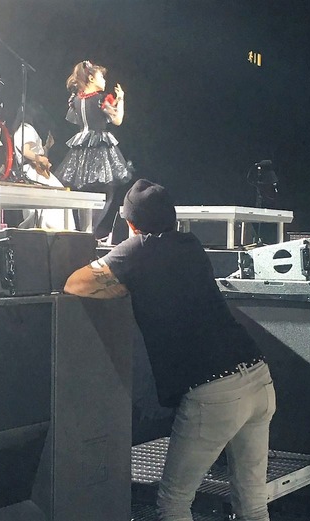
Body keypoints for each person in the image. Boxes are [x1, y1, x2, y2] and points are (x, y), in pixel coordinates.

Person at [64, 178, 276, 521]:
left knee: (174, 503)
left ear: (131, 223)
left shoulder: (139, 250)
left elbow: (75, 284)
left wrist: (120, 278)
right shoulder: (190, 244)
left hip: (215, 392)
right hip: (257, 377)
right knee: (253, 505)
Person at [54, 60, 132, 240]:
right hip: (98, 145)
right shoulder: (101, 99)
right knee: (106, 191)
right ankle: (92, 234)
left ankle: (84, 232)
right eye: (101, 77)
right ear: (91, 78)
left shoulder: (76, 100)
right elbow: (117, 120)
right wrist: (121, 99)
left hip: (81, 148)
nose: (104, 80)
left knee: (84, 192)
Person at [11, 102, 75, 230]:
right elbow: (25, 151)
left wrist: (47, 147)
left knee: (44, 198)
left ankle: (46, 225)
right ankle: (54, 226)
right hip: (33, 170)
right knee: (57, 193)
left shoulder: (22, 129)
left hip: (33, 169)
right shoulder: (26, 129)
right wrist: (39, 158)